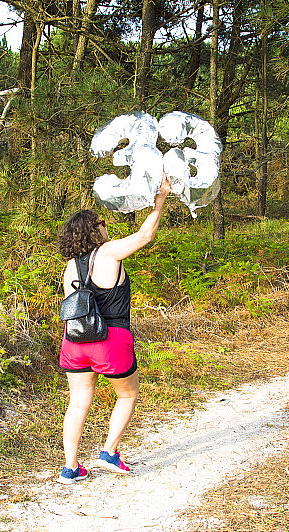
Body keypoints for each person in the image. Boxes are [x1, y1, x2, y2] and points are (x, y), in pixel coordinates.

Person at [55, 175, 171, 485]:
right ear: (94, 230)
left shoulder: (70, 266)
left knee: (78, 402)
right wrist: (159, 201)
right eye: (101, 222)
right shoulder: (108, 253)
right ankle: (109, 451)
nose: (106, 225)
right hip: (111, 339)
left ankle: (71, 468)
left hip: (74, 341)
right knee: (128, 394)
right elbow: (145, 235)